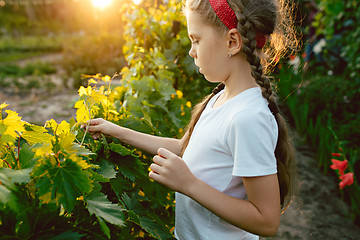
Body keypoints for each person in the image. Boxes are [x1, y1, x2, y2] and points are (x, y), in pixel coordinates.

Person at [84, 0, 297, 239]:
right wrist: (115, 131)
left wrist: (189, 185)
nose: (191, 51)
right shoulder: (221, 97)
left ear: (232, 42)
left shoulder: (247, 118)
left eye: (196, 39)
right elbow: (183, 148)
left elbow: (266, 221)